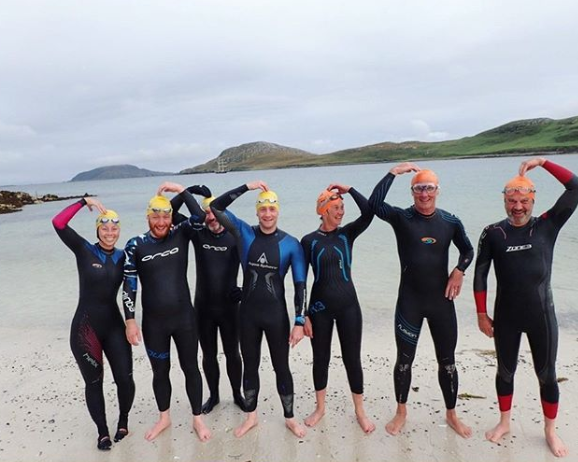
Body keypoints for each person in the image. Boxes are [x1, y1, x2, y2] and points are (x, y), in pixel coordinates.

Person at [473, 157, 578, 458]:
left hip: (541, 316)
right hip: (505, 317)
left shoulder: (548, 224)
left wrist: (544, 163)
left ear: (533, 200)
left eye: (523, 200)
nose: (517, 206)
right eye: (511, 200)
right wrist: (481, 314)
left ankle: (549, 430)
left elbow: (575, 186)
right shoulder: (493, 233)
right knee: (505, 371)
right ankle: (504, 422)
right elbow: (480, 274)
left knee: (547, 375)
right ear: (504, 201)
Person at [368, 162, 474, 438]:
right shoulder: (402, 218)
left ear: (437, 190)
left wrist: (459, 270)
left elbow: (468, 249)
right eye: (418, 188)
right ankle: (401, 411)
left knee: (448, 361)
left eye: (429, 188)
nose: (424, 194)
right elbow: (374, 204)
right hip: (409, 302)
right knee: (404, 361)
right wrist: (393, 173)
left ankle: (452, 414)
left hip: (441, 302)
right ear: (412, 191)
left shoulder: (450, 222)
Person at [210, 181, 307, 438]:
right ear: (257, 211)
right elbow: (216, 206)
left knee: (281, 366)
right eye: (262, 209)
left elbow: (300, 285)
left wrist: (299, 320)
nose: (267, 214)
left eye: (271, 209)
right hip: (248, 315)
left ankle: (290, 418)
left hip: (276, 316)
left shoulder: (291, 244)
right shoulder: (244, 233)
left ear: (278, 212)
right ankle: (251, 416)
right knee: (250, 365)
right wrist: (245, 187)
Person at [122, 184, 211, 442]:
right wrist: (130, 320)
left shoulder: (181, 233)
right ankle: (164, 417)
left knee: (191, 367)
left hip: (184, 319)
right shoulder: (135, 245)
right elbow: (129, 285)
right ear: (147, 217)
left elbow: (200, 217)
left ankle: (197, 418)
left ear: (171, 216)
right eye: (156, 216)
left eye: (165, 216)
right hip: (154, 324)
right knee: (160, 372)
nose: (161, 222)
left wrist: (182, 190)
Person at [52, 197, 135, 451]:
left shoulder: (125, 257)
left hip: (114, 326)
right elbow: (58, 222)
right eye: (105, 228)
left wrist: (134, 320)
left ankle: (123, 421)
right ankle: (102, 432)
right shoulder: (84, 249)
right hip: (86, 328)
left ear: (119, 230)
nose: (110, 232)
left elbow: (131, 289)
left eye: (114, 228)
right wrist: (82, 201)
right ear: (98, 229)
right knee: (94, 382)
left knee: (125, 378)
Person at [300, 184, 375, 433]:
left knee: (352, 359)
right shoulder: (308, 241)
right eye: (335, 208)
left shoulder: (347, 234)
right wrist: (303, 316)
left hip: (349, 307)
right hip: (319, 308)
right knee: (321, 359)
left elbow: (369, 212)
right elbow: (301, 279)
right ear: (323, 210)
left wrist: (351, 190)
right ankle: (320, 409)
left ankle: (360, 411)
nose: (341, 212)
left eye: (342, 207)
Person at [171, 185, 246, 414]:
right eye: (207, 213)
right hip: (203, 308)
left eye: (215, 212)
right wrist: (187, 191)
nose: (211, 217)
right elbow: (171, 213)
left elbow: (255, 266)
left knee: (233, 353)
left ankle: (236, 394)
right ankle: (213, 395)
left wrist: (246, 291)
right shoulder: (197, 233)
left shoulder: (236, 236)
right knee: (208, 355)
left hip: (230, 308)